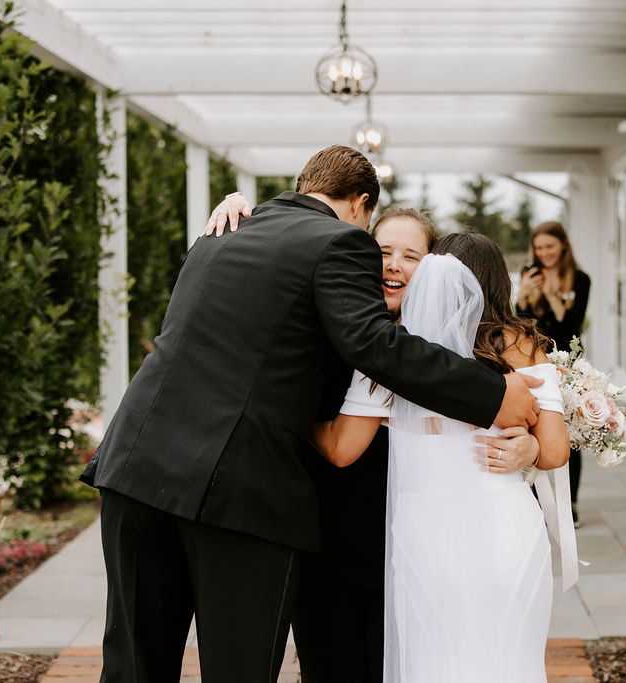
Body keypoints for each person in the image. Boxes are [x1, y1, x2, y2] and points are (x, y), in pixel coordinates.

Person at [82, 146, 543, 682]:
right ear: (361, 207)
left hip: (135, 466)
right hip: (237, 489)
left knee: (134, 666)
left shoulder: (221, 232)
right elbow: (372, 344)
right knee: (239, 669)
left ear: (303, 185)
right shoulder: (338, 241)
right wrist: (491, 394)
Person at [203, 200, 540, 682]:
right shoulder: (323, 318)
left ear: (437, 271)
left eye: (411, 255)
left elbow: (523, 419)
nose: (393, 265)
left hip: (416, 551)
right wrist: (245, 208)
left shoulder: (461, 348)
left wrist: (526, 450)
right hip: (329, 539)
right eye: (381, 250)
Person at [313, 233, 572, 683]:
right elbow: (553, 452)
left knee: (433, 660)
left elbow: (342, 448)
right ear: (498, 284)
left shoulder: (393, 353)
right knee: (511, 659)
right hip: (506, 524)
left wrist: (292, 417)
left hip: (426, 531)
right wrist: (528, 446)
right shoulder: (522, 345)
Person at [516, 221, 591, 527]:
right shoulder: (529, 273)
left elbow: (571, 326)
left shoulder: (581, 279)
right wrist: (523, 295)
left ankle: (569, 503)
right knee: (534, 427)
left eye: (549, 246)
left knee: (570, 432)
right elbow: (519, 320)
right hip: (533, 358)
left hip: (567, 360)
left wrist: (552, 295)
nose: (544, 253)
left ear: (563, 245)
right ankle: (533, 499)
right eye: (539, 247)